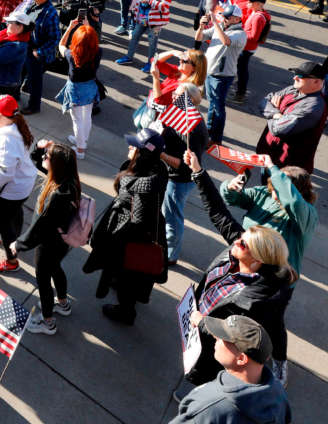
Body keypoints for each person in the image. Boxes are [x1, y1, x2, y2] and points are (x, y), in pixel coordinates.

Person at [182, 148, 298, 386]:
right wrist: (198, 171)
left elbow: (234, 331)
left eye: (243, 243)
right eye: (241, 237)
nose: (235, 241)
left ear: (258, 259)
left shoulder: (260, 299)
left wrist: (201, 322)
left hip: (212, 334)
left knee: (208, 367)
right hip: (198, 322)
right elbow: (218, 212)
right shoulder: (241, 251)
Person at [83, 131, 171, 324]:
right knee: (131, 277)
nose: (130, 147)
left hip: (130, 239)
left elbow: (137, 221)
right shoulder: (157, 168)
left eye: (135, 146)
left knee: (128, 277)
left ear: (143, 153)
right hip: (144, 231)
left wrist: (116, 240)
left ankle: (125, 312)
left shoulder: (140, 186)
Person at [13, 141, 82, 335]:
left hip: (48, 245)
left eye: (47, 157)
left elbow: (39, 227)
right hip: (61, 243)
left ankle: (47, 321)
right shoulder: (69, 182)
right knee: (56, 269)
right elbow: (36, 162)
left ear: (57, 165)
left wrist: (18, 244)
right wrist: (40, 149)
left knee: (43, 280)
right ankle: (63, 303)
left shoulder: (58, 195)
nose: (44, 157)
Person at [170, 315, 291, 424]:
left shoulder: (208, 407)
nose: (216, 339)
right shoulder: (279, 395)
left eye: (222, 338)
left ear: (241, 358)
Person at [0, 94, 37, 272]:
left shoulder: (6, 139)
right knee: (15, 212)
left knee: (2, 223)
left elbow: (4, 172)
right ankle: (16, 238)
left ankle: (11, 261)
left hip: (9, 191)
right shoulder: (15, 126)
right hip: (21, 187)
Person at [158, 86, 211, 266]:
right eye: (174, 93)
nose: (173, 96)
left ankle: (170, 255)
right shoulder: (180, 115)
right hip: (169, 176)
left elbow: (186, 166)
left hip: (179, 180)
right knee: (167, 214)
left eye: (178, 95)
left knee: (172, 218)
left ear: (190, 101)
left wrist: (161, 154)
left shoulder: (193, 128)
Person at [255, 61, 328, 175]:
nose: (294, 78)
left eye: (300, 77)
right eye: (295, 74)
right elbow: (264, 101)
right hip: (270, 156)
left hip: (287, 168)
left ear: (316, 81)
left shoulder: (314, 106)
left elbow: (277, 129)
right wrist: (276, 114)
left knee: (273, 192)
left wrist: (273, 112)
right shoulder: (293, 89)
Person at [197, 3, 247, 146]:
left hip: (222, 75)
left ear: (237, 20)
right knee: (213, 104)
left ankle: (216, 139)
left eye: (228, 17)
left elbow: (226, 41)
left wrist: (216, 23)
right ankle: (209, 132)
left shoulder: (240, 34)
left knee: (218, 107)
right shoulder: (221, 27)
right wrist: (201, 26)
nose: (224, 19)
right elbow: (199, 38)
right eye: (224, 16)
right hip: (210, 71)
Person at [56, 14, 102, 160]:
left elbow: (61, 45)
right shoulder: (98, 52)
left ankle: (80, 149)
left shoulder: (71, 55)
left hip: (75, 90)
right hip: (90, 87)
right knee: (87, 116)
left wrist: (70, 27)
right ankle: (82, 140)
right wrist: (87, 27)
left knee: (77, 119)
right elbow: (91, 42)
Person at [117, 0, 174, 70]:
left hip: (155, 21)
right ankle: (129, 57)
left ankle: (151, 63)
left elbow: (165, 6)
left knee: (152, 42)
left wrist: (150, 2)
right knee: (135, 36)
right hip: (143, 17)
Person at [23, 0, 61, 114]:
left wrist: (39, 51)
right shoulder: (33, 4)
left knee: (35, 80)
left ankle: (34, 106)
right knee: (21, 71)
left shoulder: (50, 14)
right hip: (27, 46)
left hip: (38, 52)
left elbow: (55, 38)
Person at [0, 8, 32, 99]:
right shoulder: (5, 34)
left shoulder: (17, 46)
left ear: (20, 27)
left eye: (10, 23)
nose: (6, 24)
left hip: (2, 85)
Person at [232, 0, 270, 105]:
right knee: (240, 69)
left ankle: (240, 95)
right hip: (245, 46)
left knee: (242, 71)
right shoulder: (255, 12)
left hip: (247, 48)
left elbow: (254, 36)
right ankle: (239, 90)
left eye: (250, 2)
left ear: (258, 4)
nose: (247, 3)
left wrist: (239, 32)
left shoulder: (258, 17)